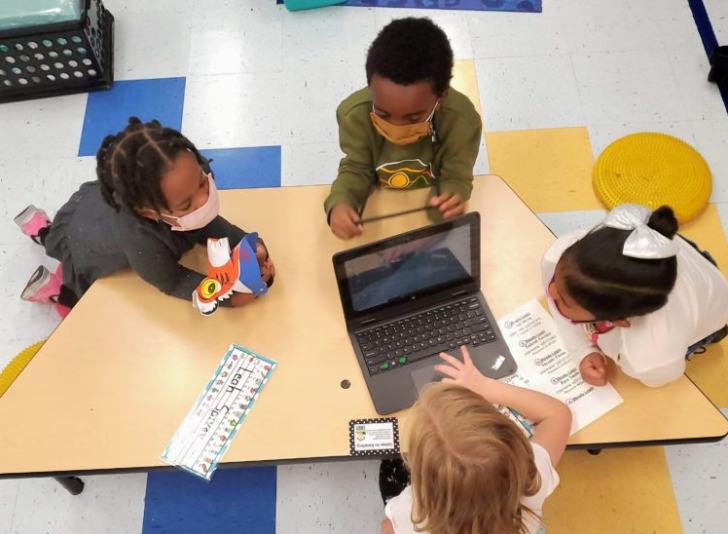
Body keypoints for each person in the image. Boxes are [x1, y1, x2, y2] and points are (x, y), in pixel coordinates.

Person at [14, 117, 275, 316]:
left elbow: (211, 225)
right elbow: (173, 281)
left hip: (99, 209)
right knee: (80, 302)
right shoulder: (140, 241)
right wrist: (227, 298)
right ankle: (56, 285)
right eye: (187, 203)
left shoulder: (175, 186)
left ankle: (43, 231)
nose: (204, 199)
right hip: (86, 241)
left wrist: (249, 245)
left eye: (201, 181)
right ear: (148, 213)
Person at [380, 346, 571, 534]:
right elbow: (558, 414)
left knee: (389, 473)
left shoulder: (415, 510)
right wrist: (487, 387)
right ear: (514, 447)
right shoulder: (531, 477)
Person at [325, 17, 482, 240]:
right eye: (383, 113)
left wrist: (449, 200)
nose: (396, 127)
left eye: (414, 117)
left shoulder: (461, 121)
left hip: (427, 219)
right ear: (371, 86)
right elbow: (357, 168)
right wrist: (340, 203)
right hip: (378, 206)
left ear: (441, 97)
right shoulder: (354, 115)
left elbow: (456, 175)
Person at [543, 204, 728, 387]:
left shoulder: (650, 357)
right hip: (691, 263)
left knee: (699, 333)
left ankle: (715, 332)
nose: (550, 291)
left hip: (709, 309)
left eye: (565, 302)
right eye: (555, 280)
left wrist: (584, 348)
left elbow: (664, 375)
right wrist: (582, 350)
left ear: (618, 321)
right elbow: (553, 269)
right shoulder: (562, 257)